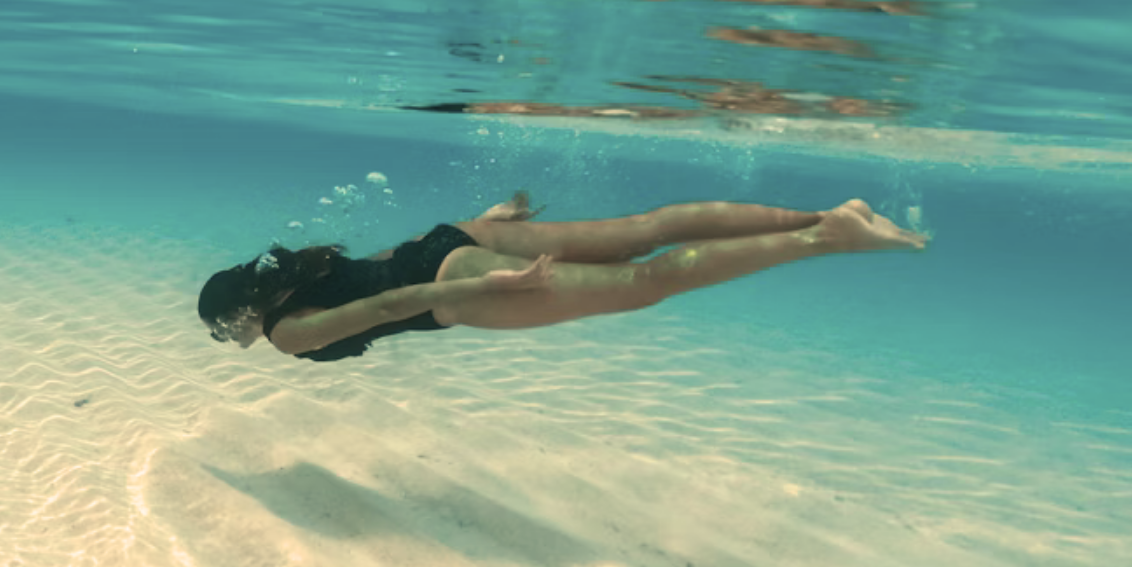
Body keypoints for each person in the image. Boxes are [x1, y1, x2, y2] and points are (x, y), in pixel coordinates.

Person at [199, 193, 927, 361]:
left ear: (246, 310)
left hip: (460, 279)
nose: (231, 338)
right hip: (457, 237)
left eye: (224, 329)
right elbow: (389, 263)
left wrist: (483, 290)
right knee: (652, 229)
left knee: (648, 281)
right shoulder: (305, 272)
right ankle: (835, 213)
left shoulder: (287, 333)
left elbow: (396, 300)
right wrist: (476, 225)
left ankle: (825, 236)